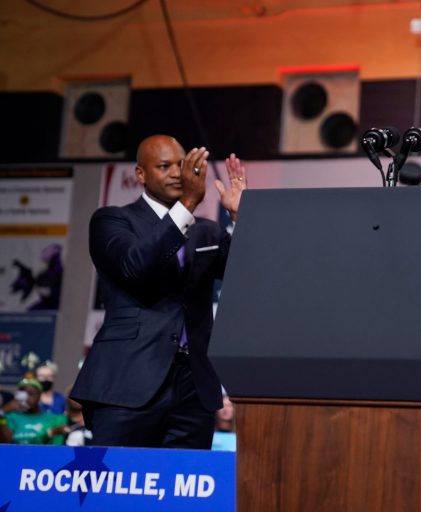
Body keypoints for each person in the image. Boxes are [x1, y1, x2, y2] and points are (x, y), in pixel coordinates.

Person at [70, 135, 247, 449]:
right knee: (120, 487)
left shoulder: (208, 231)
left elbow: (250, 277)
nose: (177, 174)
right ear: (141, 174)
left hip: (194, 385)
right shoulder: (112, 220)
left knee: (185, 490)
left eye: (181, 165)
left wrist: (242, 219)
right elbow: (136, 266)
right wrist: (187, 204)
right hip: (128, 382)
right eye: (164, 166)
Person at [0, 378, 68, 444]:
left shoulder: (54, 418)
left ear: (39, 396)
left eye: (30, 394)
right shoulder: (11, 417)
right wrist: (2, 413)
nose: (26, 398)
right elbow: (5, 442)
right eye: (23, 394)